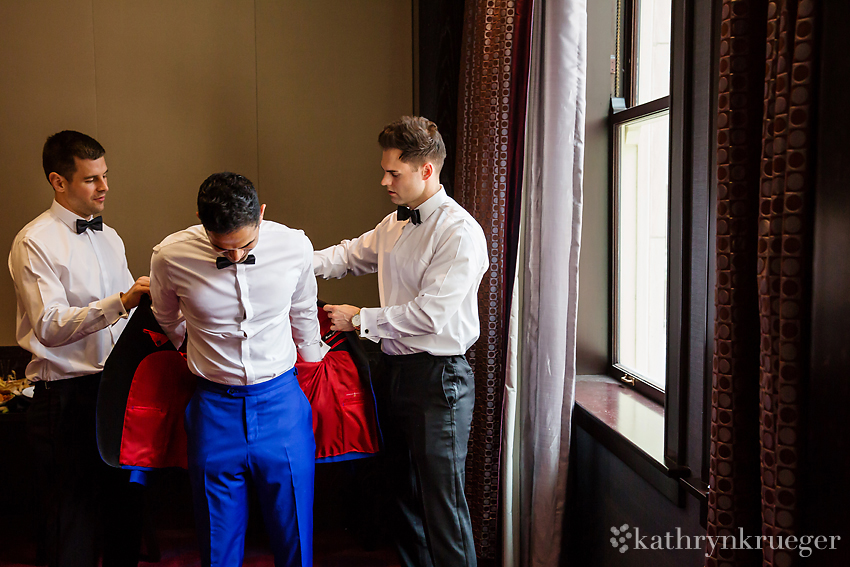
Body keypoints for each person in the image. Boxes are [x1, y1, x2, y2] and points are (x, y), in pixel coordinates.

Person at [314, 116, 488, 567]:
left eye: (394, 172)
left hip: (439, 381)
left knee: (442, 506)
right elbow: (347, 256)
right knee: (402, 497)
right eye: (385, 170)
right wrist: (280, 257)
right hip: (393, 373)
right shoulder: (394, 222)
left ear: (427, 170)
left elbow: (431, 314)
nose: (384, 180)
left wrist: (359, 319)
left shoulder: (459, 232)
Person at [149, 172, 323, 567]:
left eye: (246, 244)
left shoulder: (294, 246)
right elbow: (166, 315)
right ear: (200, 220)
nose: (237, 257)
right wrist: (193, 348)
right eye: (223, 249)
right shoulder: (170, 255)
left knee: (295, 536)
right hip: (213, 409)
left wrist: (311, 372)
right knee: (217, 543)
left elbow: (304, 313)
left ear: (261, 215)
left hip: (281, 401)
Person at [8, 130, 149, 567]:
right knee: (70, 525)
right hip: (64, 399)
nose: (105, 187)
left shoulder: (112, 237)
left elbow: (124, 318)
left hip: (115, 393)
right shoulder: (34, 241)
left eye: (105, 175)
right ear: (58, 181)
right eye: (91, 179)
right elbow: (49, 326)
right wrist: (121, 302)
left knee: (123, 514)